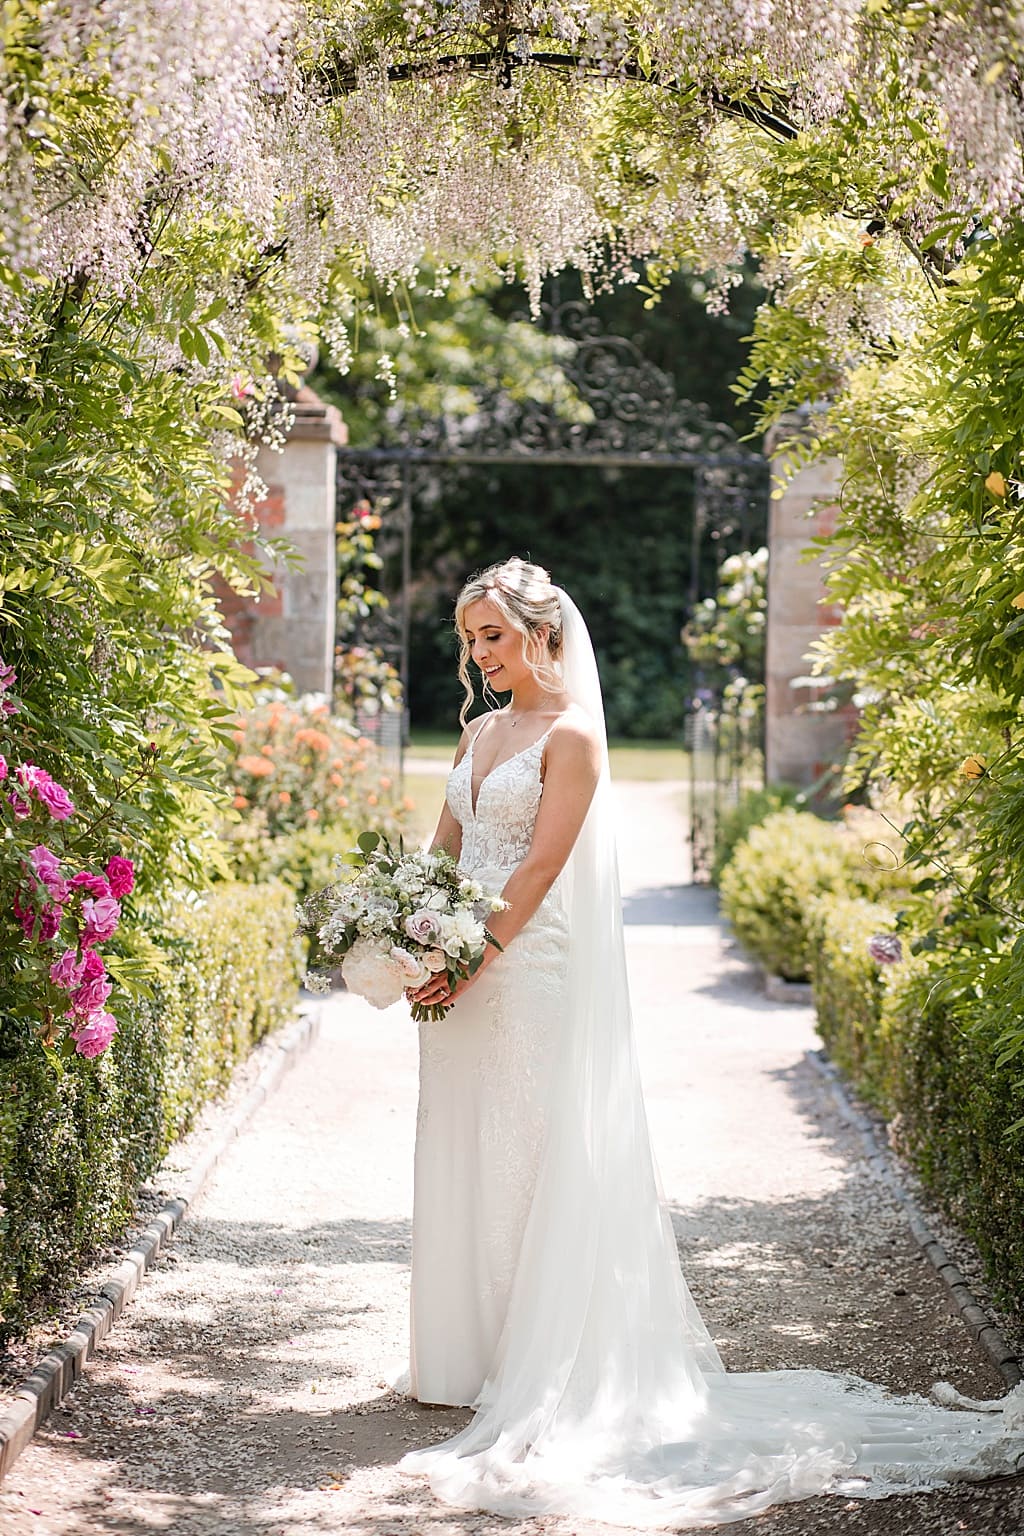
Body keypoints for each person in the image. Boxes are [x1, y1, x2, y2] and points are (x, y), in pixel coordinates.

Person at [400, 556, 1024, 1526]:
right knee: (461, 1144)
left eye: (492, 635)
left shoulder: (574, 737)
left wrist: (474, 951)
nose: (478, 653)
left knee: (530, 1155)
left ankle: (541, 1363)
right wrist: (402, 935)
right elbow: (444, 853)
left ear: (542, 633)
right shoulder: (479, 730)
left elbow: (536, 867)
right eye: (468, 637)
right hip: (459, 971)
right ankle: (465, 1355)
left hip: (523, 968)